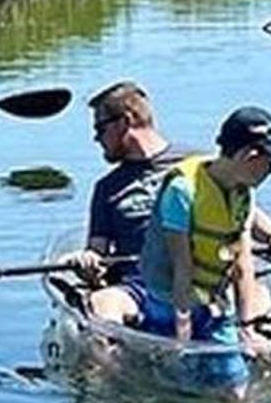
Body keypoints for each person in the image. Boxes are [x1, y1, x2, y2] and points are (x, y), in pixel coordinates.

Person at [128, 107, 271, 393]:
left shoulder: (243, 193)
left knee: (235, 390)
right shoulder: (182, 191)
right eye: (270, 162)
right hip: (168, 299)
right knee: (177, 383)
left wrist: (248, 326)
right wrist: (183, 336)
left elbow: (242, 262)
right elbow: (182, 267)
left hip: (214, 300)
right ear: (249, 157)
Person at [59, 81, 189, 322]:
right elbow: (97, 252)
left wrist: (269, 238)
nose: (96, 138)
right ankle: (109, 343)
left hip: (202, 281)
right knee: (104, 306)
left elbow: (245, 215)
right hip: (138, 290)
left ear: (125, 122)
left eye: (100, 128)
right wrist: (89, 263)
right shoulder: (107, 188)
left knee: (256, 293)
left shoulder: (199, 166)